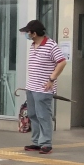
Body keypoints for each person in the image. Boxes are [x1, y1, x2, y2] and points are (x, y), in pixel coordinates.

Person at [20, 19, 67, 154]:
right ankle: (36, 142)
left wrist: (52, 79)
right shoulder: (33, 45)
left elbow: (62, 62)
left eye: (28, 32)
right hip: (31, 87)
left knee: (43, 116)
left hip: (43, 88)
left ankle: (46, 143)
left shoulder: (51, 45)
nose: (26, 34)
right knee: (33, 115)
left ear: (34, 33)